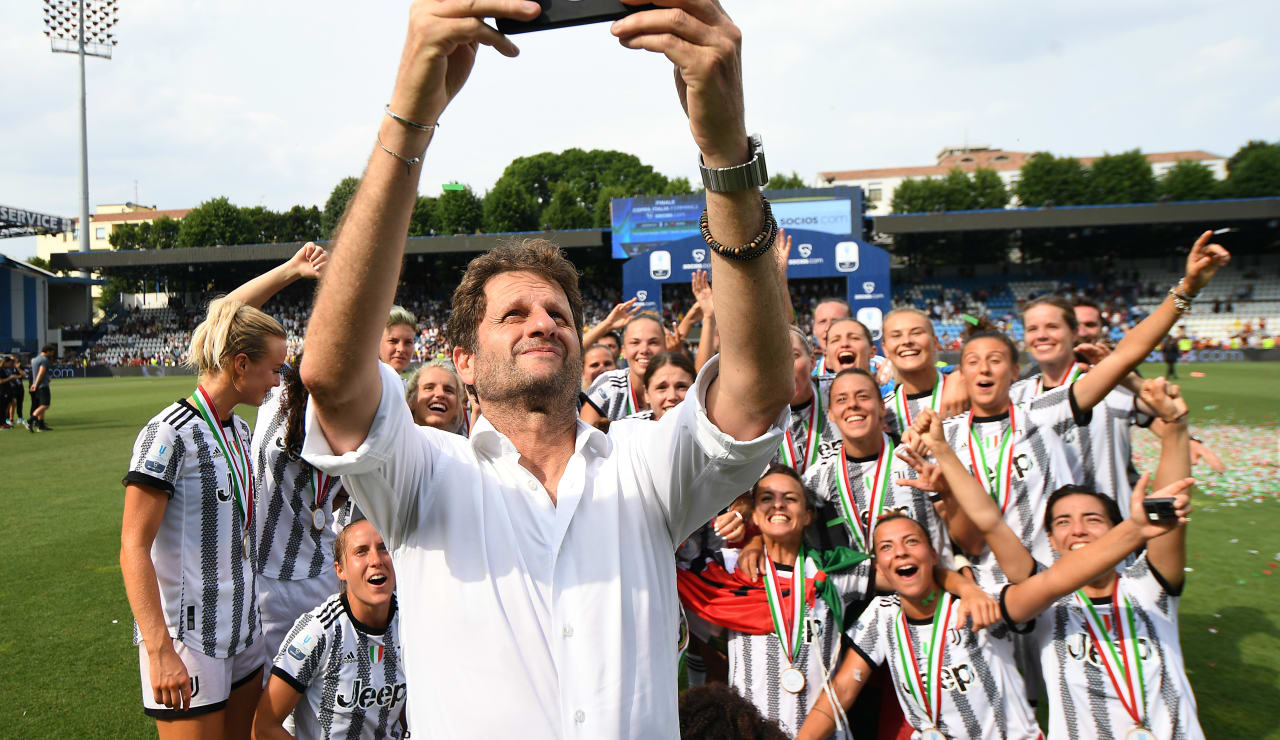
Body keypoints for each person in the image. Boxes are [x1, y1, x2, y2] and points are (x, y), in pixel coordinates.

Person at [297, 1, 794, 736]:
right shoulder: (426, 476)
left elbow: (755, 389)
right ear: (462, 361)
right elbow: (333, 376)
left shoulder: (643, 465)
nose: (544, 322)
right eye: (515, 314)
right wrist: (409, 116)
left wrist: (725, 153)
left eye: (560, 313)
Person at [795, 462, 1192, 740]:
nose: (900, 553)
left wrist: (1135, 530)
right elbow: (840, 692)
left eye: (911, 542)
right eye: (886, 547)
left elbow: (1052, 581)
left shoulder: (982, 601)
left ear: (933, 555)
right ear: (879, 563)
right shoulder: (882, 617)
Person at [913, 376, 1204, 739]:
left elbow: (1167, 507)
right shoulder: (1045, 597)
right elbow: (989, 520)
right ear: (1051, 538)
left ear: (1114, 528)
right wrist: (942, 448)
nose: (1078, 530)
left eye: (1093, 519)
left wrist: (1175, 428)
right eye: (1063, 522)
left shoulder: (1149, 584)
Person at [121, 289, 290, 736]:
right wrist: (159, 648)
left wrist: (292, 272)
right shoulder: (168, 434)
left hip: (244, 632)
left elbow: (226, 314)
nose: (277, 382)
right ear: (240, 365)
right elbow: (132, 547)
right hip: (189, 641)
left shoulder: (237, 428)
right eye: (274, 370)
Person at [254, 520, 407, 740]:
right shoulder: (318, 632)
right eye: (361, 552)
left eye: (383, 548)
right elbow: (263, 727)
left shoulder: (409, 622)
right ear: (340, 569)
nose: (375, 560)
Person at [879, 308, 967, 437]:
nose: (906, 341)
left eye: (916, 333)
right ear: (885, 349)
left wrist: (964, 378)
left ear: (935, 342)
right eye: (896, 335)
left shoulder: (968, 391)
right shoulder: (883, 412)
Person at [773, 326, 838, 473]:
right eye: (774, 358)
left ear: (812, 361)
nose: (784, 365)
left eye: (793, 355)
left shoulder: (838, 391)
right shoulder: (756, 418)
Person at [581, 312, 666, 421]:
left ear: (665, 348)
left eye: (653, 342)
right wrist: (607, 324)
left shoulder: (677, 388)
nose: (644, 350)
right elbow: (585, 436)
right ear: (624, 351)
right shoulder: (610, 384)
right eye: (635, 342)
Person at [625, 351, 696, 422]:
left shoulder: (705, 428)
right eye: (662, 388)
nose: (672, 396)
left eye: (681, 387)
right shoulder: (627, 429)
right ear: (647, 394)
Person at [405, 359, 469, 434]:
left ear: (457, 406)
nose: (440, 394)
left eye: (448, 390)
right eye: (429, 388)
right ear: (411, 401)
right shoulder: (393, 443)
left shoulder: (463, 444)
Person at [27, 343, 54, 432]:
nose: (52, 354)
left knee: (41, 404)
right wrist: (36, 384)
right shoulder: (44, 360)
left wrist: (34, 384)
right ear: (48, 351)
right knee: (45, 405)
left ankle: (41, 425)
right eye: (51, 352)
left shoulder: (35, 359)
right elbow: (41, 373)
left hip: (38, 385)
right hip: (42, 385)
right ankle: (30, 420)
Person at [381, 306, 417, 374]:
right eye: (393, 341)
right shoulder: (363, 382)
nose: (401, 349)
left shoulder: (405, 384)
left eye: (408, 342)